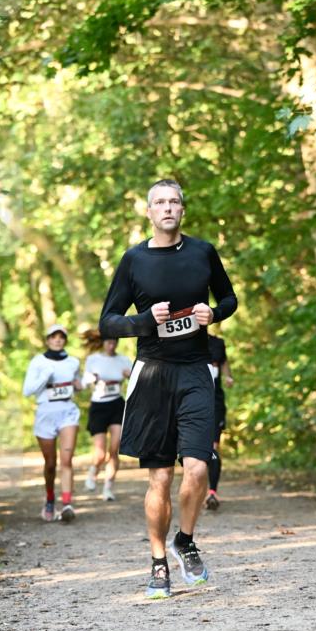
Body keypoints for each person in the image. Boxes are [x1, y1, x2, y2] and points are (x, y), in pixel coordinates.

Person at [99, 178, 237, 599]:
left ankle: (186, 540)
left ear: (183, 209)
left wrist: (212, 314)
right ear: (149, 211)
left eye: (174, 201)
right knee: (159, 479)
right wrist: (143, 321)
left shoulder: (202, 252)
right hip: (153, 375)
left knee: (196, 468)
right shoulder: (134, 259)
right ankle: (159, 563)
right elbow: (108, 321)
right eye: (159, 202)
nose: (167, 208)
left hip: (196, 371)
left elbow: (230, 299)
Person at [22, 324, 82, 522]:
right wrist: (44, 377)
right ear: (47, 340)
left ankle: (67, 504)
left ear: (65, 340)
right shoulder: (38, 362)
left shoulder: (73, 362)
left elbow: (78, 385)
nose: (57, 340)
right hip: (45, 413)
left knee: (66, 460)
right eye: (53, 337)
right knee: (50, 464)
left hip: (68, 412)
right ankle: (49, 499)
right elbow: (27, 391)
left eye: (61, 337)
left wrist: (80, 385)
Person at [81, 330, 132, 501]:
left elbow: (137, 381)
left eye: (114, 342)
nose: (111, 345)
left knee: (114, 448)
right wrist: (91, 378)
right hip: (98, 406)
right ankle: (93, 472)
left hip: (117, 403)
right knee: (101, 453)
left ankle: (108, 488)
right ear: (103, 343)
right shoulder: (93, 360)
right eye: (108, 342)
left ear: (117, 343)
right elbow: (84, 381)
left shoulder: (123, 360)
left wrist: (129, 375)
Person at [205, 334, 233, 510]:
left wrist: (228, 376)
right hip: (190, 400)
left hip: (215, 401)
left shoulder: (217, 343)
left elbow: (223, 362)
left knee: (213, 448)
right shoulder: (184, 339)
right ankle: (197, 490)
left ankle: (212, 492)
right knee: (197, 451)